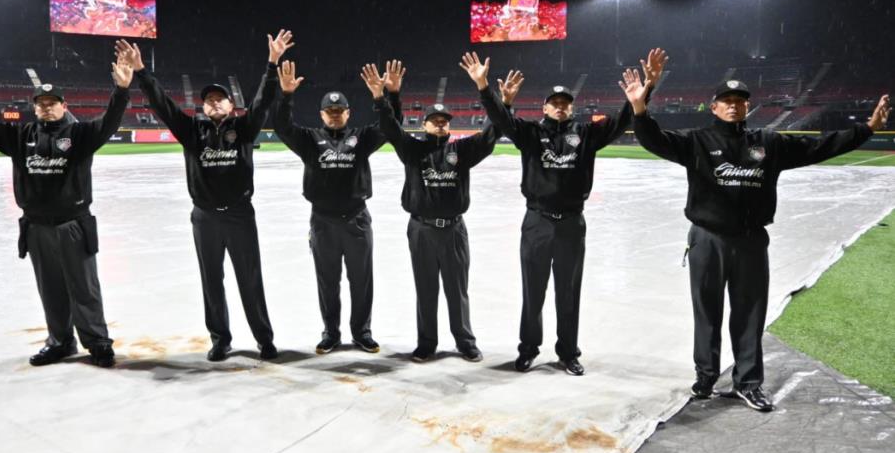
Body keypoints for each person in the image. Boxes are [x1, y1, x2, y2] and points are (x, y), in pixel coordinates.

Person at [620, 57, 891, 412]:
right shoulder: (697, 142)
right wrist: (640, 106)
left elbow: (820, 147)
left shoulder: (768, 142)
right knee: (707, 312)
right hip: (707, 239)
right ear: (714, 107)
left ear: (748, 106)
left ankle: (748, 383)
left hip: (750, 241)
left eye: (740, 101)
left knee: (749, 313)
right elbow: (653, 140)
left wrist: (866, 129)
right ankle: (705, 377)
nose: (733, 106)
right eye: (726, 101)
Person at [0, 56, 134, 368]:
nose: (46, 107)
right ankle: (60, 342)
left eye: (52, 102)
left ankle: (97, 343)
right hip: (36, 227)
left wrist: (122, 90)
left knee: (85, 289)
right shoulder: (20, 137)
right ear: (35, 107)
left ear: (63, 105)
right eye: (40, 103)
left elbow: (109, 121)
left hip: (73, 225)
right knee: (51, 291)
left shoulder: (81, 136)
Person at [462, 49, 665, 375]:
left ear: (572, 107)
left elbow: (623, 120)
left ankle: (568, 352)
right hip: (537, 222)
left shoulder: (587, 134)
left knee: (568, 293)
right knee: (533, 292)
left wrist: (645, 92)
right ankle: (528, 349)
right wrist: (485, 89)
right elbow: (501, 120)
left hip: (571, 224)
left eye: (565, 103)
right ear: (544, 108)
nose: (559, 107)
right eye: (554, 103)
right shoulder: (529, 133)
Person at [115, 30, 294, 362]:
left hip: (240, 214)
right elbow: (162, 105)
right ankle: (220, 339)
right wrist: (141, 71)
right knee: (212, 281)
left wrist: (272, 64)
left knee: (250, 280)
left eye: (219, 99)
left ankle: (264, 339)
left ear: (231, 104)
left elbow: (262, 101)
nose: (213, 103)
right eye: (208, 100)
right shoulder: (191, 131)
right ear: (203, 106)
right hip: (205, 217)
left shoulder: (244, 128)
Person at [363, 61, 509, 363]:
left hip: (454, 229)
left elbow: (491, 134)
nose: (440, 123)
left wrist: (500, 100)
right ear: (424, 123)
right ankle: (427, 343)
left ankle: (465, 341)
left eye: (444, 120)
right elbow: (389, 127)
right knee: (426, 289)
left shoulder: (462, 151)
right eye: (434, 120)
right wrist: (384, 97)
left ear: (449, 125)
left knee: (457, 290)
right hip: (421, 230)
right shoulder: (412, 149)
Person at [273, 59, 403, 354]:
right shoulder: (309, 139)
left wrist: (387, 97)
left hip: (356, 220)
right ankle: (331, 333)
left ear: (348, 113)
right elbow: (282, 126)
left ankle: (361, 332)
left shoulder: (362, 137)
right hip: (323, 222)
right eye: (329, 112)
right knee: (328, 282)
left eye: (339, 111)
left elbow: (390, 128)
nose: (334, 116)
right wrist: (286, 96)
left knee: (361, 281)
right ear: (321, 114)